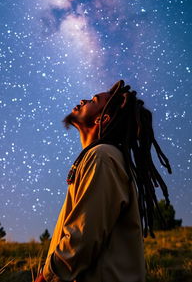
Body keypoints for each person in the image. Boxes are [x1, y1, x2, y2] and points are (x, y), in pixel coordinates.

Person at [35, 80, 172, 282]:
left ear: (102, 119)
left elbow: (83, 237)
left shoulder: (102, 157)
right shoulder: (100, 157)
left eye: (93, 100)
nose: (83, 100)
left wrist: (48, 277)